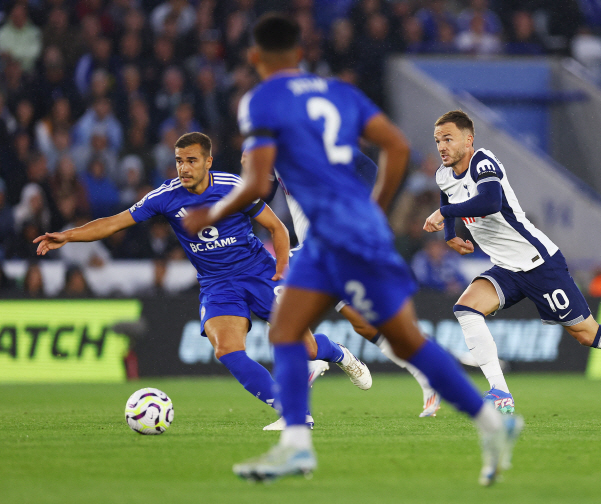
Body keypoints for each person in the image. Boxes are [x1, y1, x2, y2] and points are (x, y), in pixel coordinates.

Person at [182, 14, 522, 486]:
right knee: (386, 337)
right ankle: (490, 424)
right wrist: (374, 210)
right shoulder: (338, 92)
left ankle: (297, 444)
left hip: (326, 237)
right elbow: (397, 147)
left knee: (288, 330)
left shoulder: (263, 101)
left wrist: (211, 214)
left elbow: (257, 182)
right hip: (357, 232)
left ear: (257, 58)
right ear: (299, 54)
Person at [34, 131, 369, 430]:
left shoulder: (234, 189)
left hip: (258, 272)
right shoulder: (164, 197)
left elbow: (277, 228)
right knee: (227, 349)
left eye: (191, 161)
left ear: (208, 161)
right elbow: (114, 223)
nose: (183, 168)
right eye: (179, 161)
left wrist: (281, 265)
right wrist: (69, 235)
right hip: (217, 283)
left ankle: (338, 354)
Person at [423, 110, 601, 425]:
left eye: (449, 138)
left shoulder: (484, 162)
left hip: (538, 263)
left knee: (587, 334)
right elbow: (447, 195)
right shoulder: (443, 173)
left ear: (469, 139)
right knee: (466, 309)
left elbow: (490, 202)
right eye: (438, 139)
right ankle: (500, 392)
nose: (442, 146)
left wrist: (444, 213)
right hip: (506, 267)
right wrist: (451, 234)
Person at [266, 149, 442, 418]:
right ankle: (427, 375)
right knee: (363, 322)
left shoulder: (316, 138)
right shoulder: (270, 149)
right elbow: (263, 194)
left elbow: (368, 167)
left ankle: (307, 364)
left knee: (277, 290)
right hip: (314, 247)